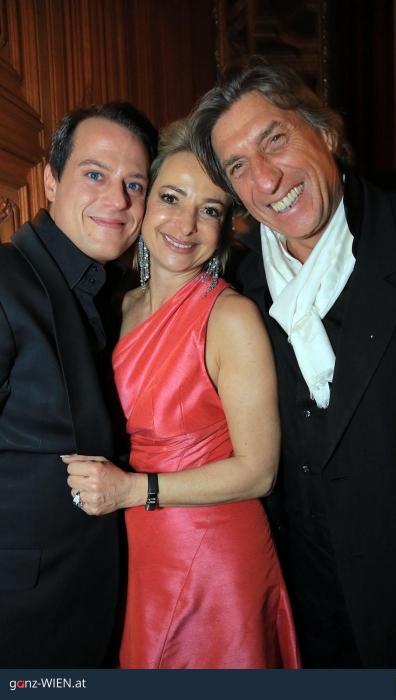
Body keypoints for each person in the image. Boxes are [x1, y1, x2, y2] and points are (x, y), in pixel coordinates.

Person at [188, 60, 396, 668]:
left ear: (326, 133)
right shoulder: (234, 290)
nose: (266, 179)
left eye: (275, 139)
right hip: (307, 625)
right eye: (238, 167)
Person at [62, 120, 300, 670]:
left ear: (224, 227)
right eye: (171, 197)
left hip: (214, 555)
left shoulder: (231, 317)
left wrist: (133, 490)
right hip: (137, 543)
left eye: (210, 209)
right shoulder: (117, 306)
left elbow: (259, 472)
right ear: (144, 203)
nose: (186, 224)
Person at [0, 102, 157, 668]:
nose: (118, 200)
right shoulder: (5, 280)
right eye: (95, 174)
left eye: (134, 184)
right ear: (50, 180)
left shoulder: (111, 298)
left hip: (90, 614)